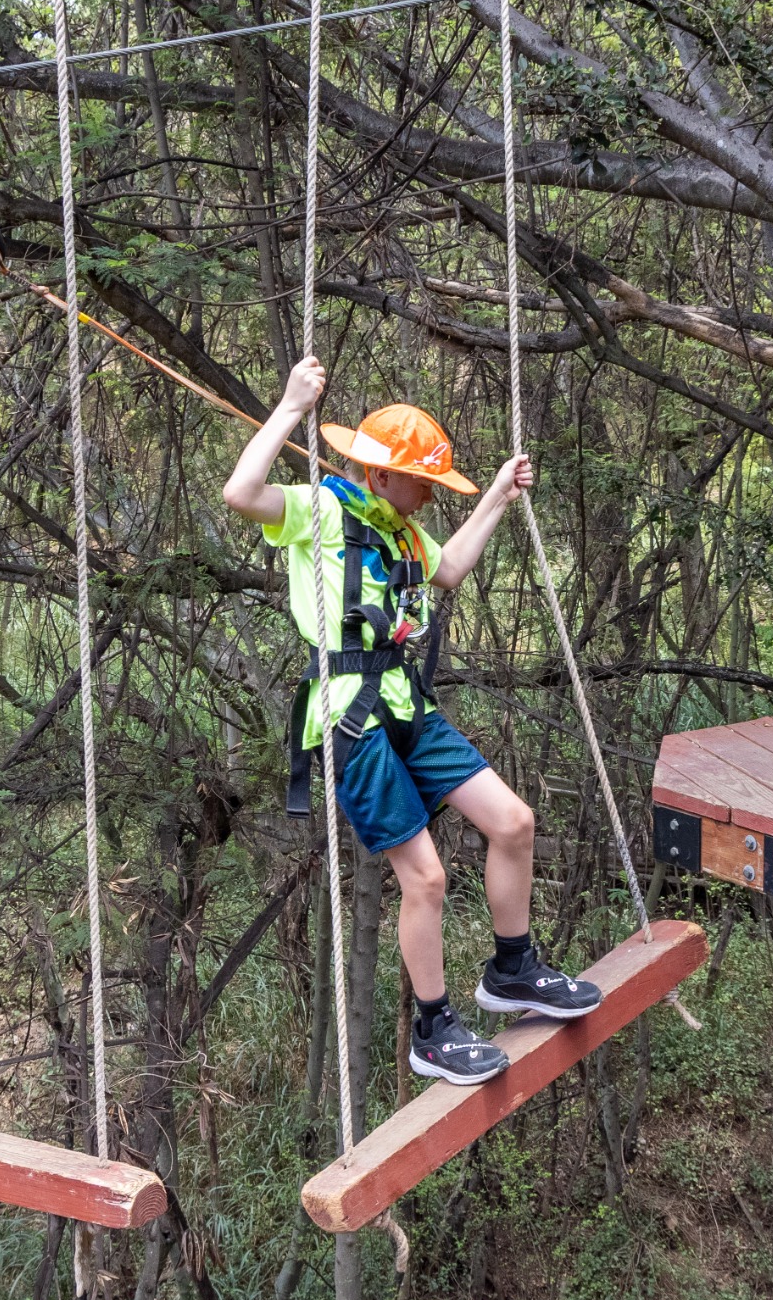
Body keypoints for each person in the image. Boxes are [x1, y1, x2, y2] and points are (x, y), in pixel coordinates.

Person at [222, 357, 601, 1087]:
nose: (430, 497)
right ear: (382, 475)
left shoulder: (398, 530)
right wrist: (291, 405)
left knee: (514, 823)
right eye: (423, 482)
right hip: (351, 720)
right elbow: (241, 491)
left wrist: (493, 496)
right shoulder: (322, 511)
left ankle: (513, 969)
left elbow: (449, 570)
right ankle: (433, 1029)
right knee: (423, 878)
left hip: (406, 707)